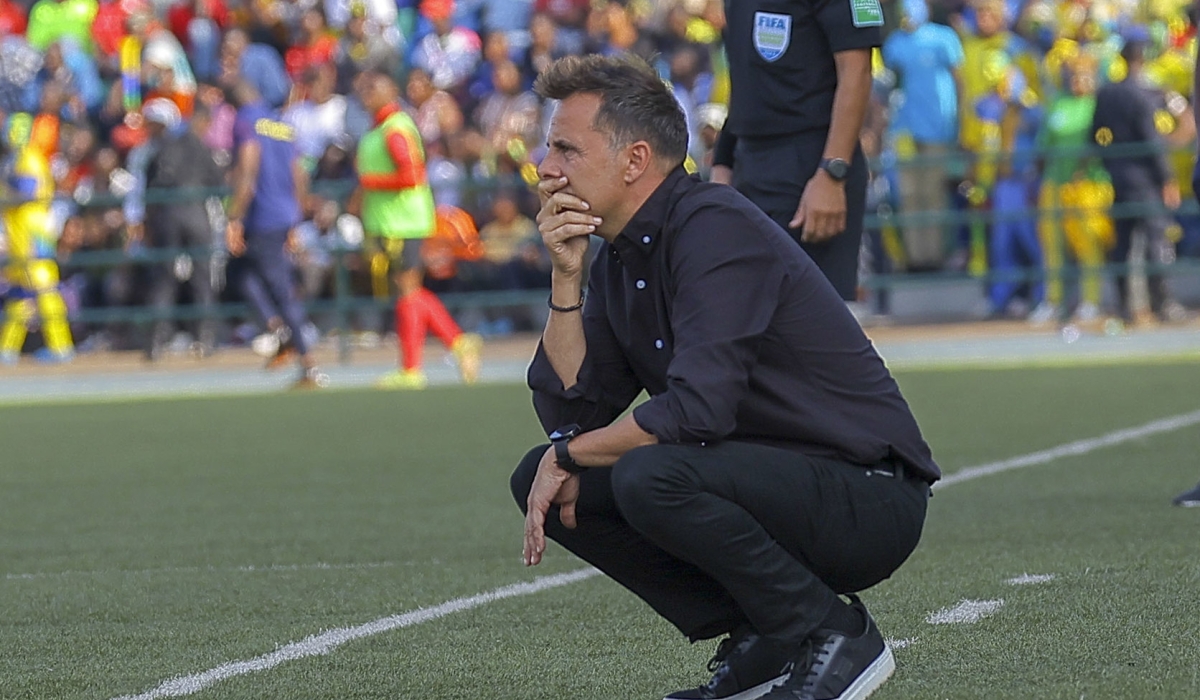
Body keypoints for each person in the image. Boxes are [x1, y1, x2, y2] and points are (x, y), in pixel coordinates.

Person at [511, 54, 938, 700]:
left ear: (634, 160)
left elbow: (695, 411)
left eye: (566, 149)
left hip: (866, 493)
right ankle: (765, 638)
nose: (546, 169)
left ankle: (831, 631)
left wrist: (569, 452)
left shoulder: (713, 226)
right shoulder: (619, 258)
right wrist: (565, 280)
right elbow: (572, 413)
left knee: (647, 474)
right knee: (543, 478)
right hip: (767, 479)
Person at [710, 0, 882, 302]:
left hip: (811, 166)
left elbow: (856, 72)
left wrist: (832, 173)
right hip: (748, 164)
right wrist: (722, 163)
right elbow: (747, 78)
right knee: (745, 311)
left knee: (809, 317)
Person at [350, 71, 482, 390]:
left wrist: (369, 184)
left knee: (408, 290)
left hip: (404, 222)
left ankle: (413, 367)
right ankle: (457, 342)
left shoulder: (395, 128)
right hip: (392, 222)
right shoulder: (380, 127)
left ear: (390, 91)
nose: (367, 93)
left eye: (373, 87)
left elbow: (411, 175)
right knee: (409, 290)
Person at [224, 80, 325, 389]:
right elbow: (299, 171)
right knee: (242, 275)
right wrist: (297, 214)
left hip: (262, 216)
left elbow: (248, 167)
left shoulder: (246, 121)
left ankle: (308, 361)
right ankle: (281, 332)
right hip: (283, 213)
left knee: (280, 288)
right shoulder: (280, 124)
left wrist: (234, 217)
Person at [1092, 38, 1183, 325]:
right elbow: (1151, 141)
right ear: (1141, 59)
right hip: (1146, 180)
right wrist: (1168, 179)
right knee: (1156, 241)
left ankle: (1123, 307)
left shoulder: (1107, 93)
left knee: (1122, 245)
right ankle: (1162, 304)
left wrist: (1110, 162)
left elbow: (1096, 135)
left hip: (1117, 178)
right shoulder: (1143, 94)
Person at [141, 101, 226, 359]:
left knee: (164, 277)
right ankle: (206, 338)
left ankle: (157, 341)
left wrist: (150, 221)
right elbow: (217, 182)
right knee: (202, 276)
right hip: (196, 212)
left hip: (168, 214)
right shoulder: (201, 147)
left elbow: (150, 189)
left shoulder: (161, 148)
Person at [0, 112, 74, 364]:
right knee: (20, 291)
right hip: (18, 234)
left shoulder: (29, 158)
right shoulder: (14, 159)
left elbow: (27, 193)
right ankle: (7, 348)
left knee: (45, 288)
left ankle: (61, 346)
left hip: (33, 232)